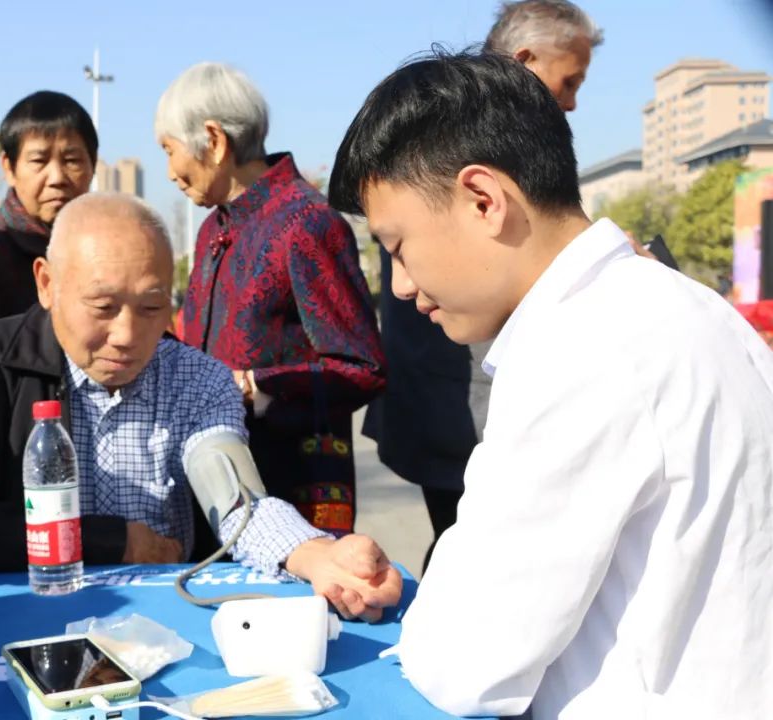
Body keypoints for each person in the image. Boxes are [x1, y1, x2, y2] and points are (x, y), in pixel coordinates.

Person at [328, 49, 773, 718]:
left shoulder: (582, 350)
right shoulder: (684, 305)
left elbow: (465, 663)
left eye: (397, 246)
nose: (402, 284)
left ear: (484, 201)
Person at [0, 193, 402, 623]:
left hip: (164, 619)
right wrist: (112, 542)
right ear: (46, 284)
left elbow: (235, 500)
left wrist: (315, 554)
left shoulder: (199, 378)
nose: (126, 337)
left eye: (150, 308)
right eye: (102, 308)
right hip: (27, 608)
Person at [367, 0, 607, 572]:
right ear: (485, 200)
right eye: (567, 80)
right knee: (477, 555)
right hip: (458, 405)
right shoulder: (442, 140)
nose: (571, 101)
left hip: (455, 406)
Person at [155, 63, 385, 536]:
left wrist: (259, 385)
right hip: (213, 482)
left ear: (214, 141)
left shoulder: (306, 223)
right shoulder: (210, 230)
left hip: (296, 490)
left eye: (169, 150)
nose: (170, 172)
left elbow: (363, 368)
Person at [0, 91, 96, 339]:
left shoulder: (113, 253)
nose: (57, 178)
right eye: (39, 160)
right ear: (9, 167)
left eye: (72, 160)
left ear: (93, 165)